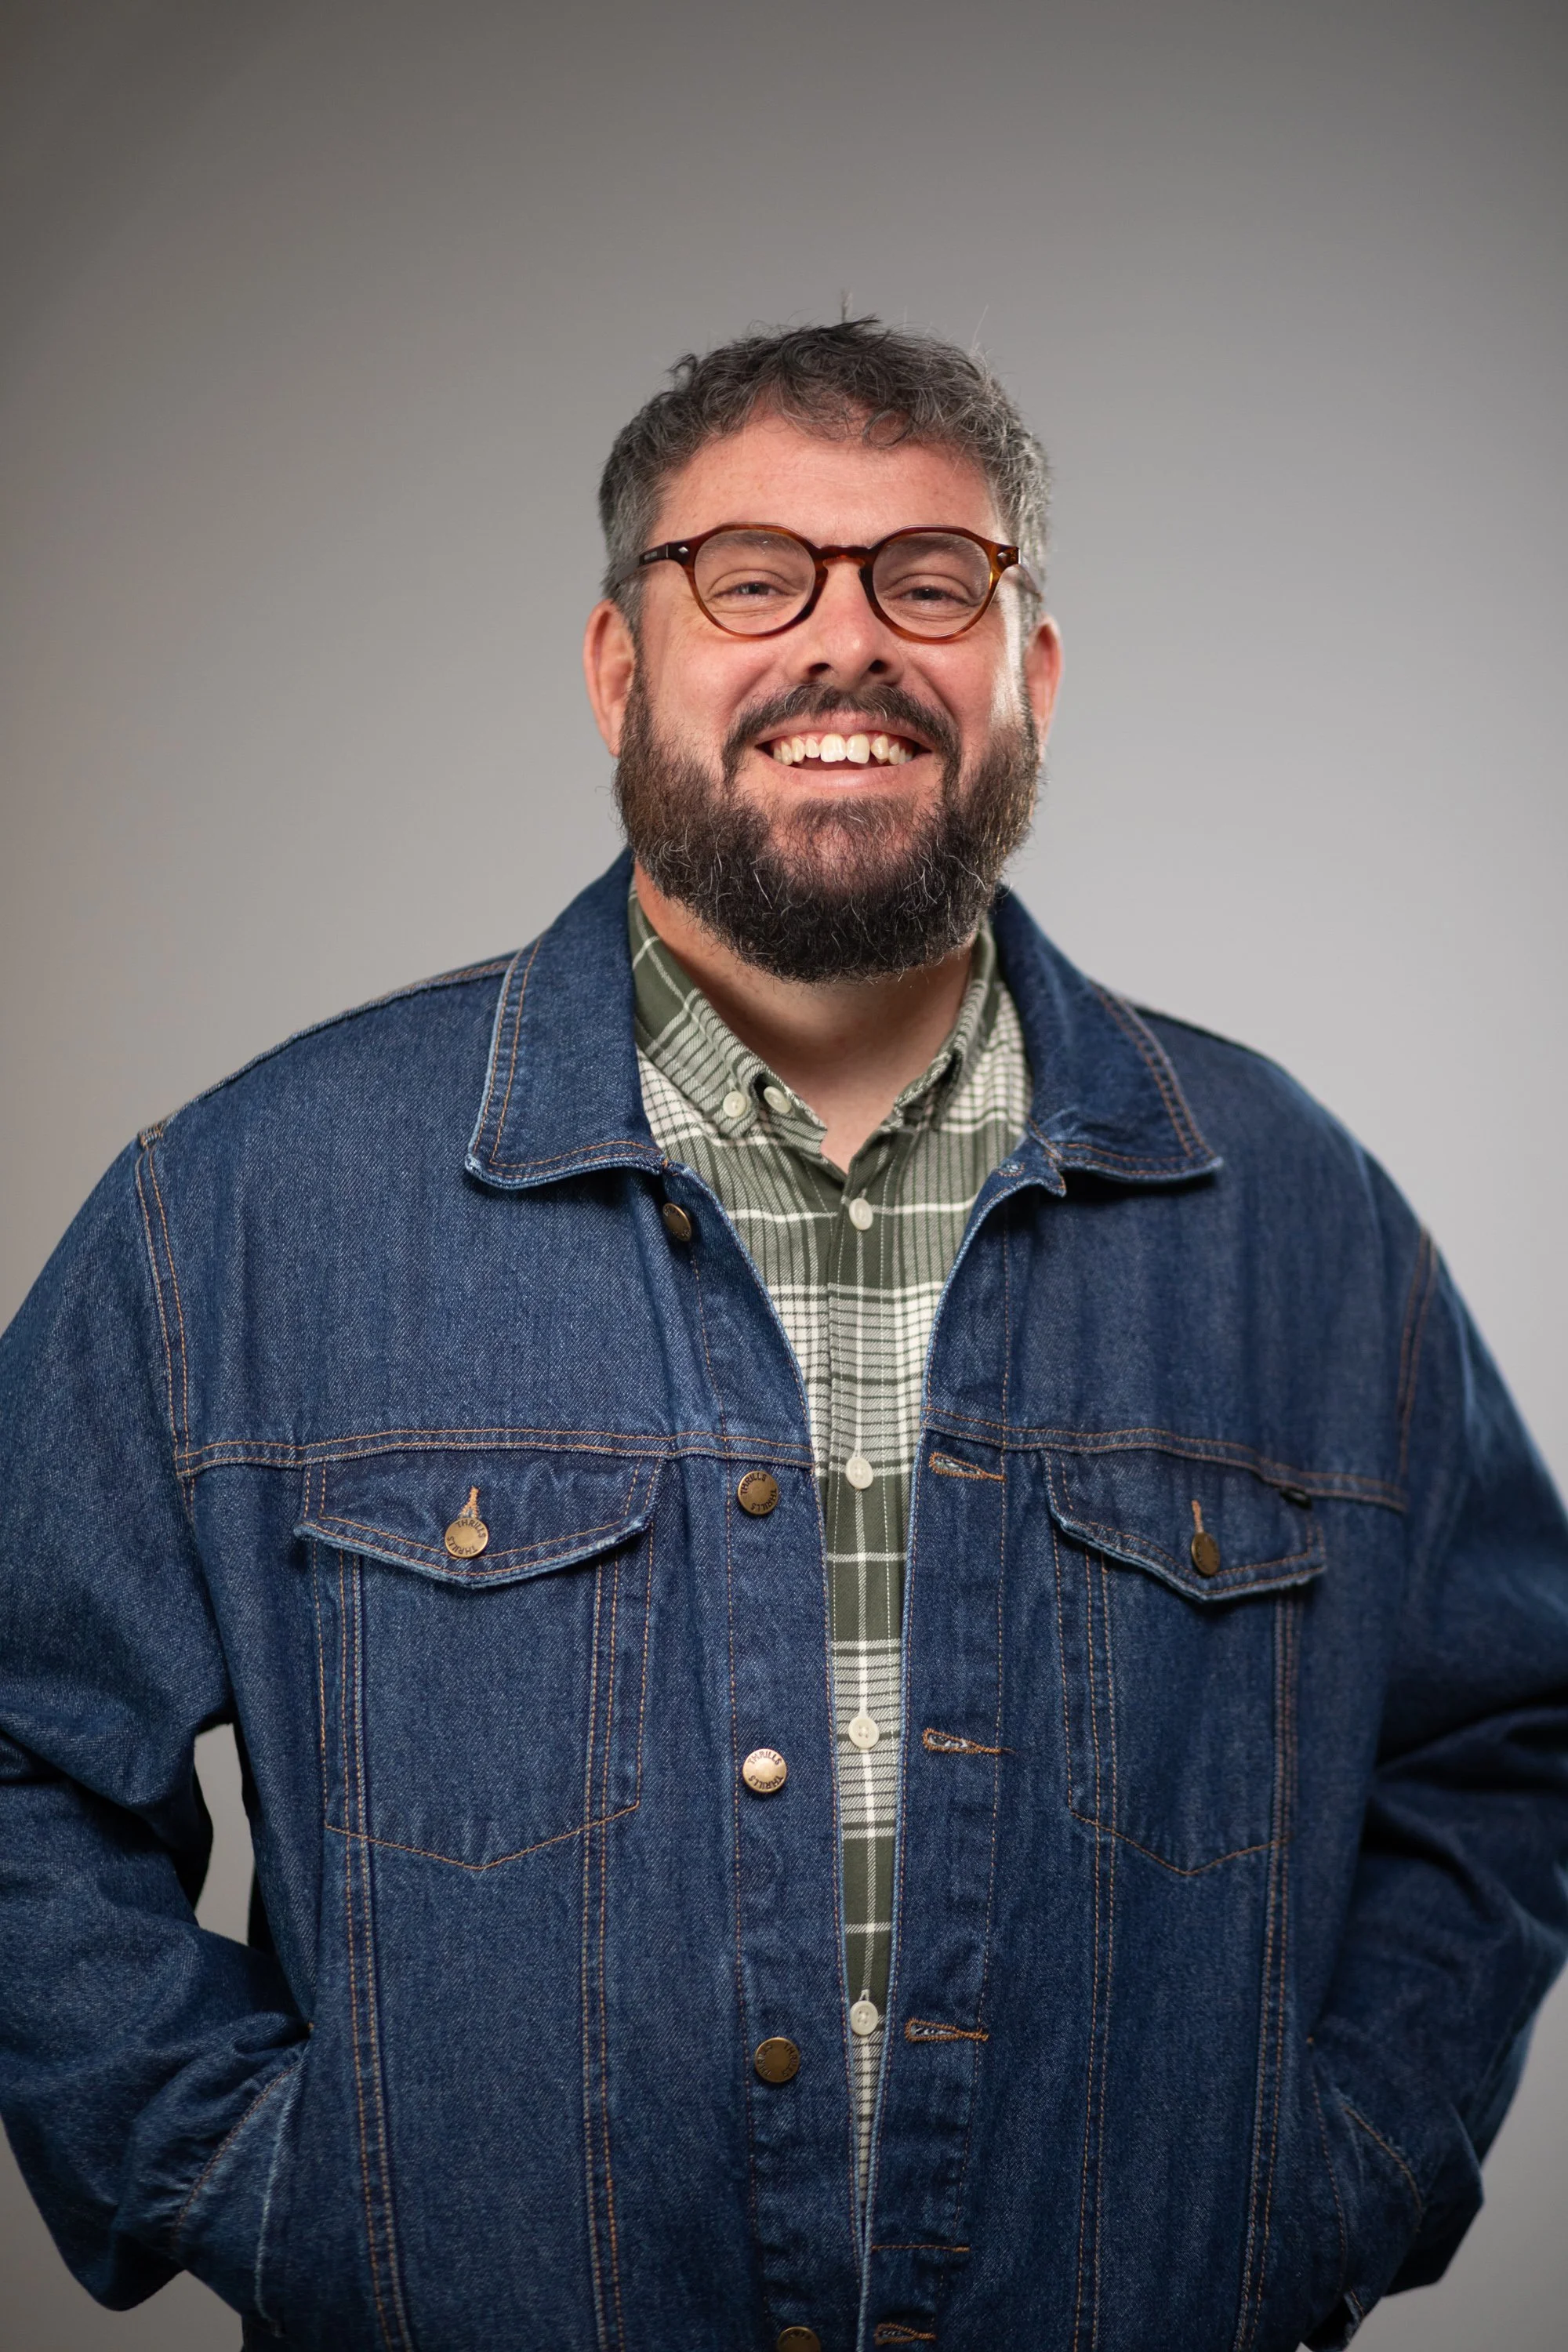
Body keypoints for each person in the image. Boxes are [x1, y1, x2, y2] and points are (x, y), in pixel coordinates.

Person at [2, 318, 1565, 2352]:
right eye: (754, 576)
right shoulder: (245, 1209)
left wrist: (1323, 2180)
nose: (849, 646)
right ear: (616, 666)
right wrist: (276, 2188)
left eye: (932, 580)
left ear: (1034, 677)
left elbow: (1513, 1738)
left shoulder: (1300, 1223)